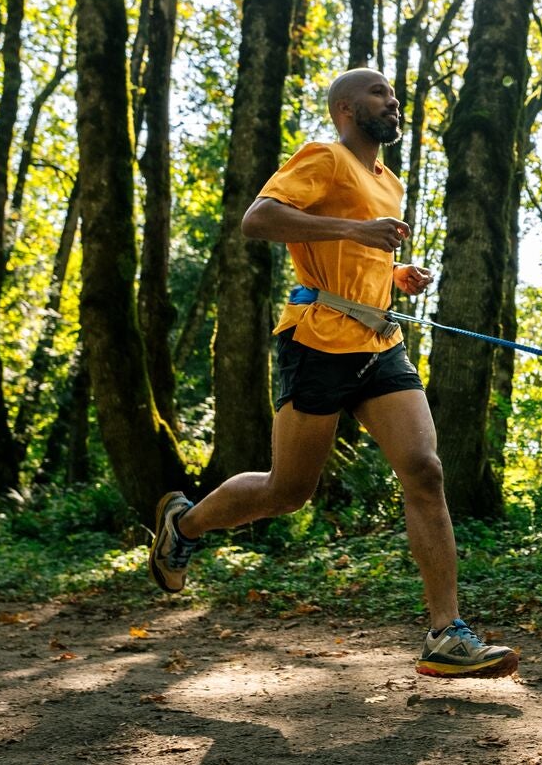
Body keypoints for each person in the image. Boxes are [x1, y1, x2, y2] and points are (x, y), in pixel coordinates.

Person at [147, 68, 518, 679]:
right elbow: (258, 219)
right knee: (287, 492)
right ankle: (183, 523)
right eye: (380, 94)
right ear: (346, 108)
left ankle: (445, 635)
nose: (393, 103)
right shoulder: (324, 156)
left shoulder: (388, 181)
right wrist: (354, 229)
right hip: (318, 339)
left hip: (378, 341)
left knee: (425, 470)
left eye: (394, 96)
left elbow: (353, 256)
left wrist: (395, 275)